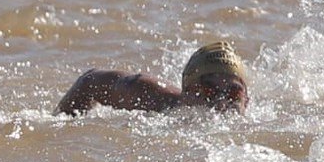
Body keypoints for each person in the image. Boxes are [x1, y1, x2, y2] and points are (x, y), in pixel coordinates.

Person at [57, 40, 248, 115]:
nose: (221, 102)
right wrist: (66, 123)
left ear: (246, 101)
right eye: (209, 91)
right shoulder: (147, 95)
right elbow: (90, 81)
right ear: (186, 91)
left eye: (233, 93)